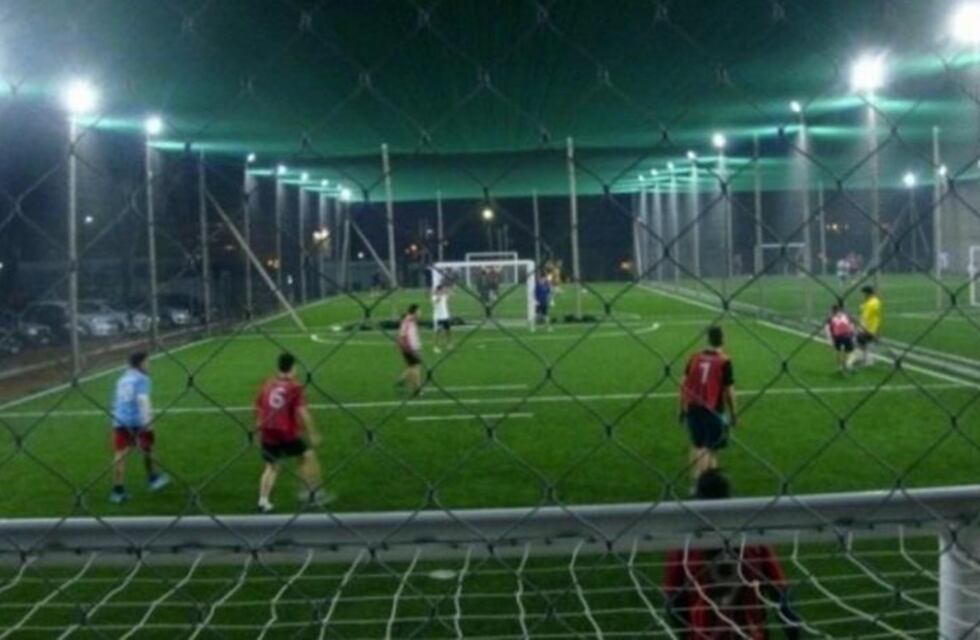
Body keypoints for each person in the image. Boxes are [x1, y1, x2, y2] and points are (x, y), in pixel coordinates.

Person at [663, 470, 801, 639]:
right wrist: (794, 635)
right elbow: (781, 592)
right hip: (751, 633)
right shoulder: (753, 539)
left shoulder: (684, 544)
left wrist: (685, 633)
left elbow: (673, 598)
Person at [254, 352, 324, 513]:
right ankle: (311, 493)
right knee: (308, 456)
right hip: (285, 432)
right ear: (292, 367)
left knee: (271, 466)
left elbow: (259, 408)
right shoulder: (294, 387)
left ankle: (263, 501)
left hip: (268, 431)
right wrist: (313, 433)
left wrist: (259, 430)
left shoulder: (268, 384)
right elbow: (302, 412)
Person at [679, 326, 737, 490]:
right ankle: (705, 486)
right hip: (713, 410)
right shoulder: (724, 360)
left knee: (697, 445)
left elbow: (683, 384)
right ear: (722, 339)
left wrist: (682, 407)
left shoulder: (694, 357)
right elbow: (729, 390)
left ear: (708, 339)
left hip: (693, 407)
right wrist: (734, 413)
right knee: (709, 447)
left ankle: (697, 482)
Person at [109, 352, 169, 504]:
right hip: (137, 421)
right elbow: (142, 399)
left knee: (120, 455)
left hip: (120, 420)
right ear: (140, 363)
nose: (149, 365)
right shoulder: (142, 379)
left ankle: (117, 491)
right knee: (149, 448)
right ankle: (153, 479)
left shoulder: (122, 379)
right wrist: (148, 421)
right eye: (147, 362)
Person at [849, 285, 882, 368]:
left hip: (867, 328)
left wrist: (859, 327)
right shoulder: (874, 301)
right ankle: (867, 359)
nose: (862, 295)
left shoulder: (871, 304)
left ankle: (860, 360)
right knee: (864, 344)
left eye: (863, 293)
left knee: (858, 343)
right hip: (871, 328)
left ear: (868, 293)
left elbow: (865, 317)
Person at [396, 304, 423, 395]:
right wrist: (407, 348)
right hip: (409, 348)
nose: (420, 313)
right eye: (419, 311)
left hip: (414, 347)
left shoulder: (412, 321)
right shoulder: (407, 322)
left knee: (412, 367)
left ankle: (402, 380)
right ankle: (417, 389)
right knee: (415, 368)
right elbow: (402, 336)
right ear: (415, 312)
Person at [826, 304, 856, 373]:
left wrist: (829, 339)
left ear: (833, 310)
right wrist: (852, 333)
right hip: (847, 335)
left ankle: (840, 367)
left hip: (837, 336)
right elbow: (851, 325)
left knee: (838, 351)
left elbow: (827, 329)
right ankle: (847, 364)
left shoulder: (830, 317)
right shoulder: (845, 315)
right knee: (850, 351)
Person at [431, 284, 452, 354]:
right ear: (438, 290)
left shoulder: (444, 296)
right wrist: (440, 294)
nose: (443, 290)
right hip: (438, 318)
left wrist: (449, 292)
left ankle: (448, 344)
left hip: (445, 316)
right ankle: (435, 347)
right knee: (438, 332)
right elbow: (437, 300)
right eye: (442, 289)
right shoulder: (434, 297)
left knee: (448, 331)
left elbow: (449, 298)